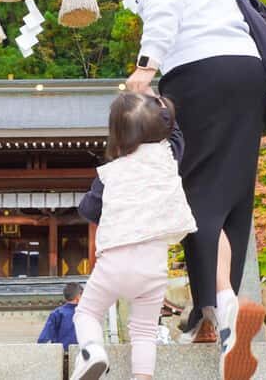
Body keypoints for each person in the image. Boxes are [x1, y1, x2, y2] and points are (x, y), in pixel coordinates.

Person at [89, 0, 266, 379]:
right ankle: (209, 316)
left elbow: (164, 5)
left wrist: (146, 67)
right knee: (232, 201)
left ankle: (224, 312)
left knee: (194, 199)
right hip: (246, 71)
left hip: (199, 73)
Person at [72, 92, 196, 380]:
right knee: (144, 330)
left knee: (87, 313)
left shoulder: (110, 174)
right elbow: (177, 133)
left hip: (114, 263)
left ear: (116, 134)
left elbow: (88, 209)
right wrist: (156, 97)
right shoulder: (169, 156)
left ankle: (92, 350)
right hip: (153, 265)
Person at [37, 282, 82, 351]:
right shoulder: (85, 313)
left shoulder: (57, 313)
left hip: (61, 353)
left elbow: (43, 339)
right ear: (78, 297)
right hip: (82, 353)